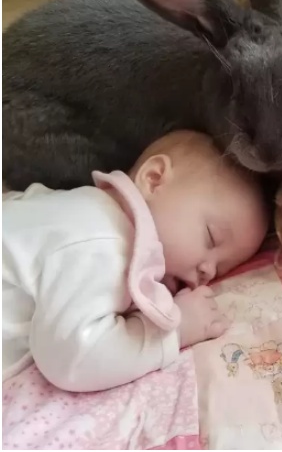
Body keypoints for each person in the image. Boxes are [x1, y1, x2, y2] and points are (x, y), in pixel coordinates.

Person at [3, 130, 268, 391]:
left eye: (222, 269)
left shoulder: (78, 207)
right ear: (154, 180)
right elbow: (72, 358)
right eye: (211, 238)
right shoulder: (101, 242)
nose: (207, 271)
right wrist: (174, 331)